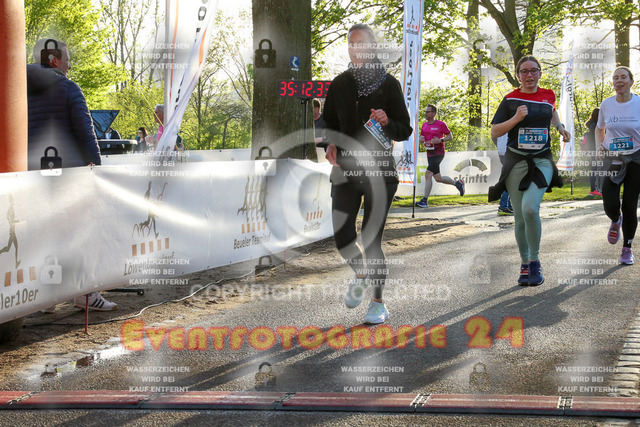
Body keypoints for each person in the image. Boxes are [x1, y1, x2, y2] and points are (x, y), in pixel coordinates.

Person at [322, 24, 412, 324]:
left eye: (360, 43)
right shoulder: (339, 84)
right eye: (351, 43)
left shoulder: (389, 85)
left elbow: (405, 128)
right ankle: (361, 273)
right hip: (346, 170)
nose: (354, 48)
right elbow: (329, 123)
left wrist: (388, 121)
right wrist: (331, 142)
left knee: (370, 237)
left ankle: (377, 304)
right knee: (342, 233)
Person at [27, 38, 117, 312]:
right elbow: (86, 132)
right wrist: (97, 170)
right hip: (71, 175)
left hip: (34, 175)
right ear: (53, 60)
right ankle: (86, 294)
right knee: (82, 233)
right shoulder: (68, 88)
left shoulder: (18, 91)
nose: (70, 63)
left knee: (47, 234)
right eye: (66, 57)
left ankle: (47, 298)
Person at [489, 55, 570, 286]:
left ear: (540, 73)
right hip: (516, 162)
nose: (529, 75)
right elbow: (495, 132)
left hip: (542, 160)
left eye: (534, 70)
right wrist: (515, 118)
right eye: (524, 71)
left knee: (530, 209)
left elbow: (551, 111)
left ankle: (535, 261)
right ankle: (525, 263)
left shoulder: (548, 95)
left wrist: (560, 127)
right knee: (519, 216)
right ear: (518, 75)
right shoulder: (510, 99)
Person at [595, 66, 640, 265]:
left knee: (630, 205)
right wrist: (599, 148)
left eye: (623, 77)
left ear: (631, 81)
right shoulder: (606, 104)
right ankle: (615, 220)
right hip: (612, 158)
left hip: (636, 159)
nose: (619, 81)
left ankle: (627, 248)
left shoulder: (639, 103)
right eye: (615, 78)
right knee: (610, 203)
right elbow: (599, 128)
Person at [415, 105, 464, 208]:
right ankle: (457, 184)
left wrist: (440, 140)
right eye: (425, 112)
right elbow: (422, 137)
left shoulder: (441, 124)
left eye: (428, 112)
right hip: (429, 153)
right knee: (438, 178)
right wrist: (421, 139)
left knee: (428, 174)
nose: (426, 114)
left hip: (439, 153)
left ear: (433, 113)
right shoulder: (424, 125)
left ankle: (425, 200)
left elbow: (450, 137)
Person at [583, 108, 602, 196]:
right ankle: (594, 189)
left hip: (592, 150)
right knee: (596, 169)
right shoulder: (596, 126)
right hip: (596, 150)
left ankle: (595, 189)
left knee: (595, 169)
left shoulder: (591, 125)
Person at [495, 133, 513, 215]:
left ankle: (507, 205)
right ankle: (503, 206)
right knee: (510, 178)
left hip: (502, 151)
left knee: (509, 177)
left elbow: (493, 136)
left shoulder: (500, 121)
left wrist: (499, 145)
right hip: (509, 151)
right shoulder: (513, 120)